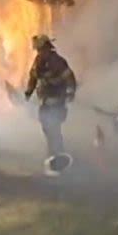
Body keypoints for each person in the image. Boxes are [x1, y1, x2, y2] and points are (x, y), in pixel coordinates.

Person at [25, 34, 77, 176]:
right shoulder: (38, 61)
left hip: (57, 102)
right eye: (38, 50)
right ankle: (54, 156)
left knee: (53, 129)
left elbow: (70, 78)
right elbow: (33, 78)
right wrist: (28, 93)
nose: (39, 52)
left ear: (47, 47)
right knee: (48, 129)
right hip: (45, 103)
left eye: (40, 49)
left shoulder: (57, 61)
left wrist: (70, 94)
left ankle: (58, 157)